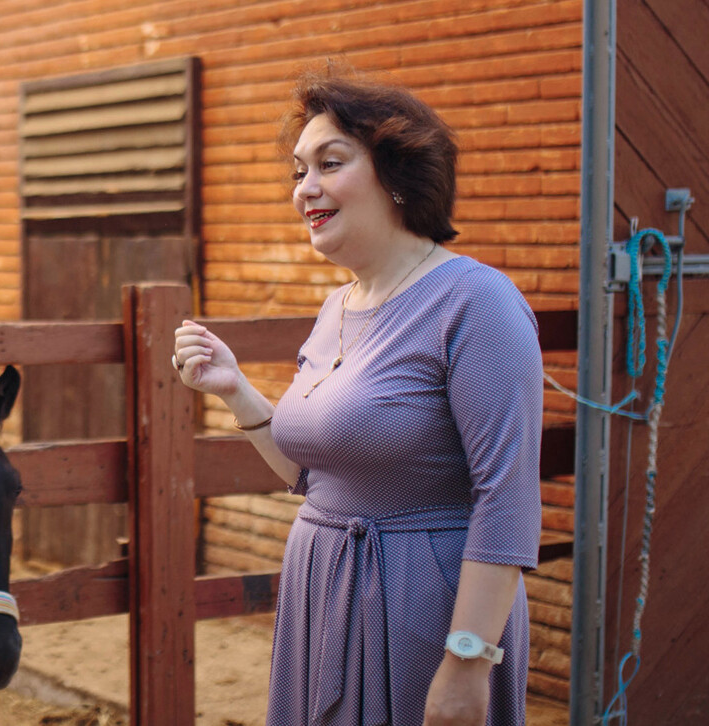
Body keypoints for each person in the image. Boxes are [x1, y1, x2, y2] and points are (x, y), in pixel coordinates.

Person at [173, 69, 542, 725]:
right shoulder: (336, 307)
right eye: (297, 171)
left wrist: (465, 660)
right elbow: (317, 480)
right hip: (321, 592)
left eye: (329, 163)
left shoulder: (476, 304)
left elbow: (505, 495)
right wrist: (235, 391)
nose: (303, 189)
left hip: (421, 608)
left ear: (397, 176)